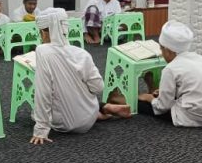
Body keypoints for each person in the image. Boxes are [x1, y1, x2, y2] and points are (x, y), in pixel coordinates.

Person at [30, 8, 131, 145]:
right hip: (89, 117)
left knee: (34, 112)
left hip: (65, 125)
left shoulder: (43, 51)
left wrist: (41, 130)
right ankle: (103, 108)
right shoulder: (81, 53)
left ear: (43, 32)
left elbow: (44, 93)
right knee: (77, 92)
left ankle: (103, 110)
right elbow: (98, 88)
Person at [137, 21, 202, 127]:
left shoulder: (170, 69)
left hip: (198, 115)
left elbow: (162, 107)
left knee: (141, 104)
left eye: (161, 49)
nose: (162, 53)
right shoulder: (201, 59)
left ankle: (124, 101)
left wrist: (148, 98)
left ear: (167, 50)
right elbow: (193, 86)